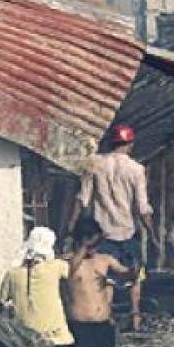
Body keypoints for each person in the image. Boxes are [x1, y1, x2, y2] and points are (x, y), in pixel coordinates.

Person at [67, 124, 155, 332]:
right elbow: (143, 207)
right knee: (134, 275)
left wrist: (71, 226)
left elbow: (83, 199)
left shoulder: (95, 164)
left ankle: (108, 318)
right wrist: (152, 233)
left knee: (105, 277)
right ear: (130, 144)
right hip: (127, 230)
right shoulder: (136, 169)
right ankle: (135, 317)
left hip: (102, 231)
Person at [0, 227, 75, 347]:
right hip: (57, 340)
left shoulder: (12, 273)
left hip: (25, 340)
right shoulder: (56, 267)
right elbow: (73, 270)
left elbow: (1, 300)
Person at [67, 219, 137, 347]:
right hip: (81, 325)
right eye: (93, 244)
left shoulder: (105, 259)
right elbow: (69, 271)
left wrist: (133, 269)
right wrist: (83, 248)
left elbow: (126, 275)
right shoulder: (68, 261)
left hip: (103, 324)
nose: (95, 248)